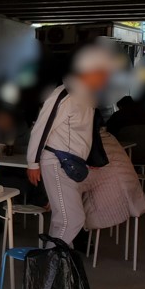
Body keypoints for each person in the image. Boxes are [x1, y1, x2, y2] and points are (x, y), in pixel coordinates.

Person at [26, 44, 119, 245]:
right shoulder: (64, 94)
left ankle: (55, 262)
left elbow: (88, 132)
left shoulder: (89, 96)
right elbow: (41, 128)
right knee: (72, 219)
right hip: (57, 161)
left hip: (74, 165)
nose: (106, 78)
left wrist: (92, 158)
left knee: (64, 219)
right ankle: (51, 261)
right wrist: (33, 163)